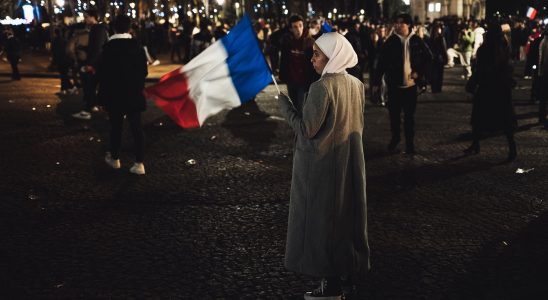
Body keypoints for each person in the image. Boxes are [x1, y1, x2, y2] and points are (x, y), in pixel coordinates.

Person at [278, 32, 370, 300]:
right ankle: (344, 273)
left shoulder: (322, 87)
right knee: (343, 220)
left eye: (317, 54)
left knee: (322, 224)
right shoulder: (355, 84)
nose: (312, 58)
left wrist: (286, 107)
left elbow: (307, 129)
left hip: (322, 166)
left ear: (333, 57)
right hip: (349, 162)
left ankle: (329, 285)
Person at [372, 13, 432, 155]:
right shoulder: (391, 41)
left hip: (410, 87)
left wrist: (420, 73)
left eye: (401, 23)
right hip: (394, 86)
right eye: (396, 23)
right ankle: (396, 137)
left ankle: (410, 144)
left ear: (408, 25)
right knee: (394, 116)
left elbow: (429, 58)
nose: (398, 25)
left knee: (409, 117)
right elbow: (381, 63)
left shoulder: (417, 40)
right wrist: (376, 82)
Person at [97, 15, 148, 175]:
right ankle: (139, 163)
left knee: (116, 127)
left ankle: (115, 159)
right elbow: (144, 72)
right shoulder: (137, 46)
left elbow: (103, 75)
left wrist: (101, 96)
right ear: (129, 28)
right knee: (136, 128)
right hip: (133, 93)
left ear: (113, 28)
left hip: (114, 94)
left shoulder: (108, 48)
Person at [464, 21, 517, 161]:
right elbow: (509, 67)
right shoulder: (505, 46)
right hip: (501, 88)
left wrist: (472, 83)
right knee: (505, 120)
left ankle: (475, 144)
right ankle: (512, 149)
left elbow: (479, 70)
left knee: (479, 117)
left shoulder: (485, 49)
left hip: (487, 87)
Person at [72, 9, 109, 120]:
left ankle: (89, 110)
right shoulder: (98, 29)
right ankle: (94, 107)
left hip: (97, 64)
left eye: (87, 16)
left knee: (90, 86)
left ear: (93, 17)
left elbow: (97, 48)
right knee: (96, 87)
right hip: (99, 63)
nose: (85, 19)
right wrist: (84, 48)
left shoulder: (98, 29)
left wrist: (90, 64)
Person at [279, 14, 318, 113]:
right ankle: (298, 126)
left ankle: (302, 127)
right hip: (291, 80)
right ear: (291, 29)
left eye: (300, 25)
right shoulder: (287, 41)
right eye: (295, 27)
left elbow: (315, 62)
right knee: (294, 105)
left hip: (304, 81)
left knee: (302, 106)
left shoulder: (310, 42)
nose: (298, 29)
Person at [428, 23, 448, 93]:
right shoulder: (441, 38)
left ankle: (434, 88)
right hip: (439, 59)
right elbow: (444, 49)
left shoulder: (430, 39)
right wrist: (446, 58)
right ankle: (438, 88)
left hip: (433, 58)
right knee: (439, 74)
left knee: (434, 73)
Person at [537, 26, 548, 129]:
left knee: (544, 96)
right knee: (544, 96)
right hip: (545, 72)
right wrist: (540, 72)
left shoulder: (543, 42)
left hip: (544, 72)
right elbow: (541, 58)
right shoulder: (544, 42)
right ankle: (542, 116)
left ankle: (542, 116)